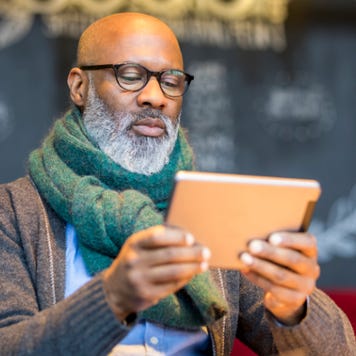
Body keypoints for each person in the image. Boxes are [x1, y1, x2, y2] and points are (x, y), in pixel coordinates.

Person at [0, 12, 354, 356]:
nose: (155, 97)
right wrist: (113, 298)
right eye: (130, 75)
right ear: (80, 86)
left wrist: (294, 307)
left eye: (170, 81)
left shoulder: (210, 212)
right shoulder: (13, 213)